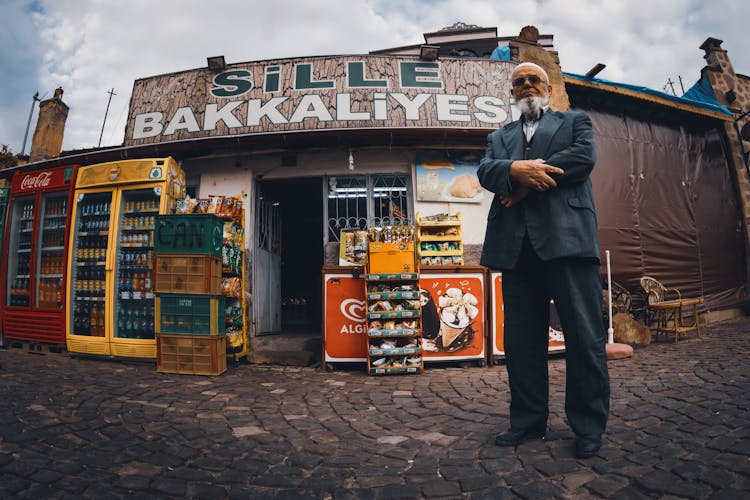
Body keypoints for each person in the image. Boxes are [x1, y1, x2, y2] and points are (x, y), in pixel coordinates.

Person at [477, 62, 610, 459]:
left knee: (585, 338)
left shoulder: (575, 122)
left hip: (568, 242)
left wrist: (522, 185)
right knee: (521, 343)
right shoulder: (498, 137)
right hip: (516, 250)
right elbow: (486, 171)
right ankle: (528, 421)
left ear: (548, 88)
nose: (526, 86)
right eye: (518, 82)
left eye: (533, 79)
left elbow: (583, 157)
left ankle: (587, 426)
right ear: (513, 92)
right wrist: (515, 169)